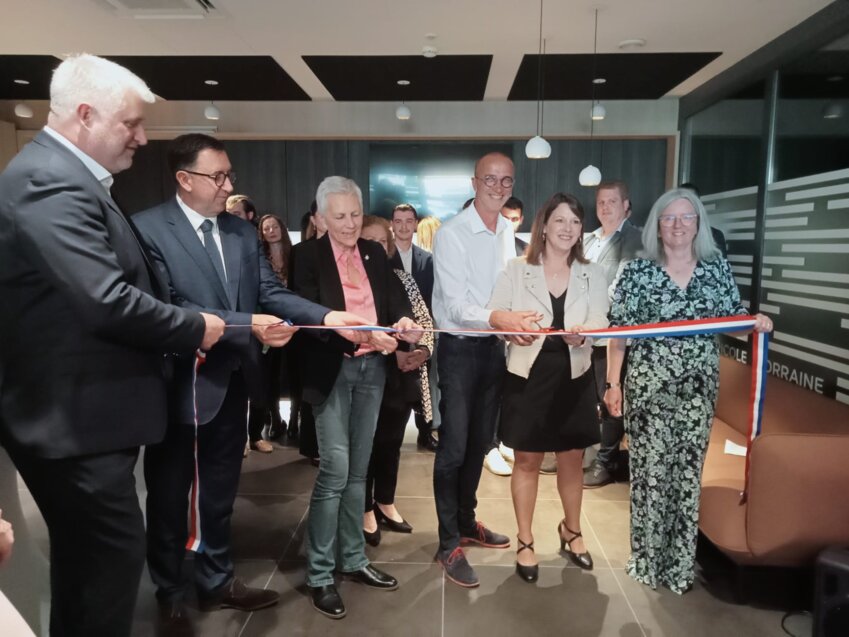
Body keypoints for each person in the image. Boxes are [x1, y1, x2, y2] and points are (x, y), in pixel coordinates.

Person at [0, 54, 224, 637]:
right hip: (74, 424)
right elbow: (105, 299)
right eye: (131, 124)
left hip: (88, 418)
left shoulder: (68, 178)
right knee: (106, 573)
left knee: (92, 573)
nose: (143, 138)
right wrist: (194, 327)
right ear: (84, 115)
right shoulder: (48, 180)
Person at [133, 135, 369, 627]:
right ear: (185, 179)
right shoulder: (149, 229)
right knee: (172, 491)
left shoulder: (240, 234)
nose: (228, 186)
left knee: (220, 490)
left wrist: (326, 317)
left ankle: (216, 580)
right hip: (182, 383)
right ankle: (170, 588)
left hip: (234, 381)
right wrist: (250, 324)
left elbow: (268, 291)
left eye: (229, 175)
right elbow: (168, 306)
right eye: (217, 177)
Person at [603, 188, 773, 594]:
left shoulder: (716, 270)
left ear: (699, 224)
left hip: (698, 390)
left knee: (686, 475)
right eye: (668, 218)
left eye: (686, 217)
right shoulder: (637, 271)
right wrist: (613, 385)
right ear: (657, 227)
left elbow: (730, 321)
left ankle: (679, 565)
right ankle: (646, 559)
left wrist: (755, 322)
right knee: (649, 475)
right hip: (648, 386)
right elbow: (619, 336)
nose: (678, 225)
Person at [289, 177, 422, 620]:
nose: (348, 225)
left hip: (373, 371)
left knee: (359, 469)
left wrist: (402, 325)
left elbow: (394, 303)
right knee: (336, 469)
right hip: (332, 370)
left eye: (354, 215)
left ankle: (354, 559)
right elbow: (306, 313)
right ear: (322, 218)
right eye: (339, 216)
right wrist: (362, 338)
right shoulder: (306, 255)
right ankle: (320, 573)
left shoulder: (373, 253)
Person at [431, 152, 542, 588]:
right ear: (474, 182)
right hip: (459, 350)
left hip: (493, 349)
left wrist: (514, 323)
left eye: (507, 181)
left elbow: (504, 294)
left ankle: (465, 520)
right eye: (490, 179)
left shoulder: (506, 233)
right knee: (454, 447)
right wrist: (501, 319)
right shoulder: (452, 233)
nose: (498, 187)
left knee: (480, 442)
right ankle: (446, 543)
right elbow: (456, 305)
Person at [489, 193, 609, 582]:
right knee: (526, 460)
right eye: (560, 221)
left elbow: (602, 324)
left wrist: (584, 337)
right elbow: (496, 318)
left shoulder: (593, 273)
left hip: (574, 375)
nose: (567, 229)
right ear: (544, 225)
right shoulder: (515, 269)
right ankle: (525, 541)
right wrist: (513, 331)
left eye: (575, 222)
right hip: (529, 376)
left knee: (572, 458)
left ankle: (571, 531)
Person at [360, 216, 434, 546]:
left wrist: (422, 352)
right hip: (366, 373)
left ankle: (385, 501)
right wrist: (394, 355)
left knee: (391, 443)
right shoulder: (353, 281)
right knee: (364, 445)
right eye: (369, 240)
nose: (377, 247)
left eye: (383, 242)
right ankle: (363, 508)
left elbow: (425, 320)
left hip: (402, 376)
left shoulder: (403, 277)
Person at [582, 180, 644, 489]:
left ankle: (606, 462)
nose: (605, 207)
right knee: (590, 397)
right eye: (601, 202)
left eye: (612, 202)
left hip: (614, 336)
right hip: (586, 334)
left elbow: (622, 287)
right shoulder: (590, 239)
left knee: (612, 398)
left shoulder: (634, 238)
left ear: (626, 205)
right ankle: (586, 454)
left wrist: (586, 302)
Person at [389, 204, 438, 452]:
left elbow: (431, 300)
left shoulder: (428, 259)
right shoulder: (383, 258)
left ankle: (425, 433)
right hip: (392, 331)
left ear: (416, 224)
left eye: (409, 221)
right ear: (392, 224)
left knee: (423, 383)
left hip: (422, 329)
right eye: (399, 221)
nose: (404, 226)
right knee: (396, 383)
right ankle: (392, 433)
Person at [247, 214, 295, 450]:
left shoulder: (294, 255)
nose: (271, 231)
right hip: (263, 325)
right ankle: (263, 426)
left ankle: (287, 421)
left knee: (288, 376)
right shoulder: (258, 258)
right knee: (264, 378)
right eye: (266, 228)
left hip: (294, 324)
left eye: (275, 226)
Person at [680, 182, 728, 257]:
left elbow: (722, 266)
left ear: (699, 203)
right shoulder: (671, 234)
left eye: (691, 200)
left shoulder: (714, 235)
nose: (686, 204)